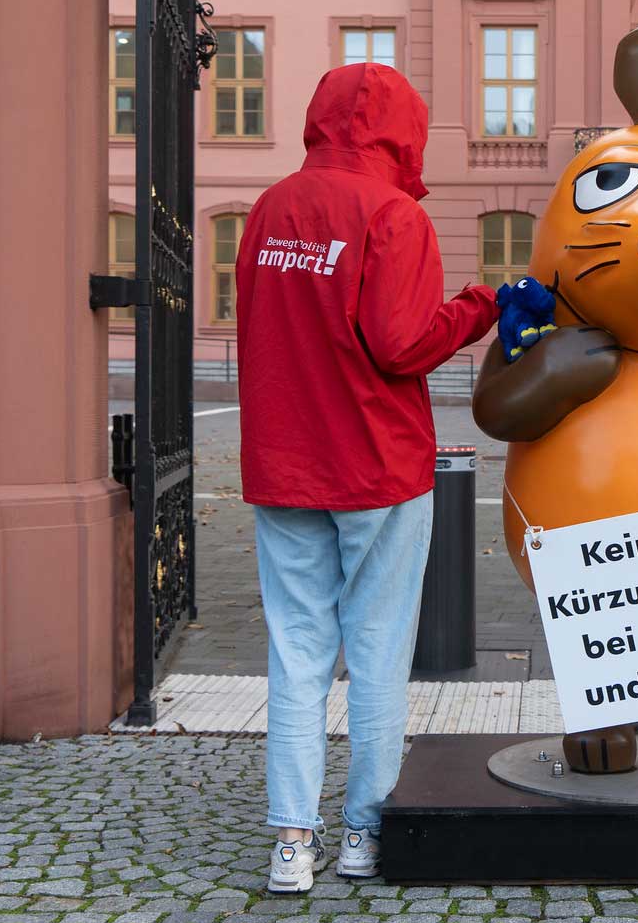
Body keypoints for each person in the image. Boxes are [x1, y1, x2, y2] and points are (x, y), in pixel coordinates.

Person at [235, 62, 500, 894]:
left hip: (284, 460)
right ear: (405, 133)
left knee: (297, 652)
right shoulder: (393, 215)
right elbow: (403, 343)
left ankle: (289, 841)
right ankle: (362, 833)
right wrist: (482, 307)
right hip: (379, 466)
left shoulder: (269, 209)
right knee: (380, 652)